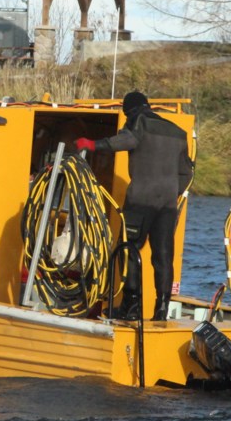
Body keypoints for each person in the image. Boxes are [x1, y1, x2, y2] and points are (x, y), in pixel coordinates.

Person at [75, 91, 193, 321]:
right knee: (163, 256)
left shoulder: (139, 121)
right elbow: (186, 172)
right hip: (168, 204)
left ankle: (132, 307)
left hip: (141, 199)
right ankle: (161, 310)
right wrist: (171, 191)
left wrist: (92, 144)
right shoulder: (177, 131)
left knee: (128, 249)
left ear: (130, 110)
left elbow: (127, 141)